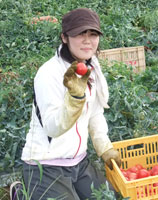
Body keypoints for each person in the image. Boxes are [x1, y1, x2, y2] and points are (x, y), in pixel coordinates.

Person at [10, 8, 121, 200]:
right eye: (80, 34)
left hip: (79, 161)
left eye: (93, 34)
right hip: (46, 165)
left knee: (110, 197)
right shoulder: (49, 73)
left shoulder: (91, 67)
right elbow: (53, 128)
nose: (87, 40)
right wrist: (74, 100)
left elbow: (95, 112)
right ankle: (22, 194)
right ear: (64, 37)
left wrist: (104, 146)